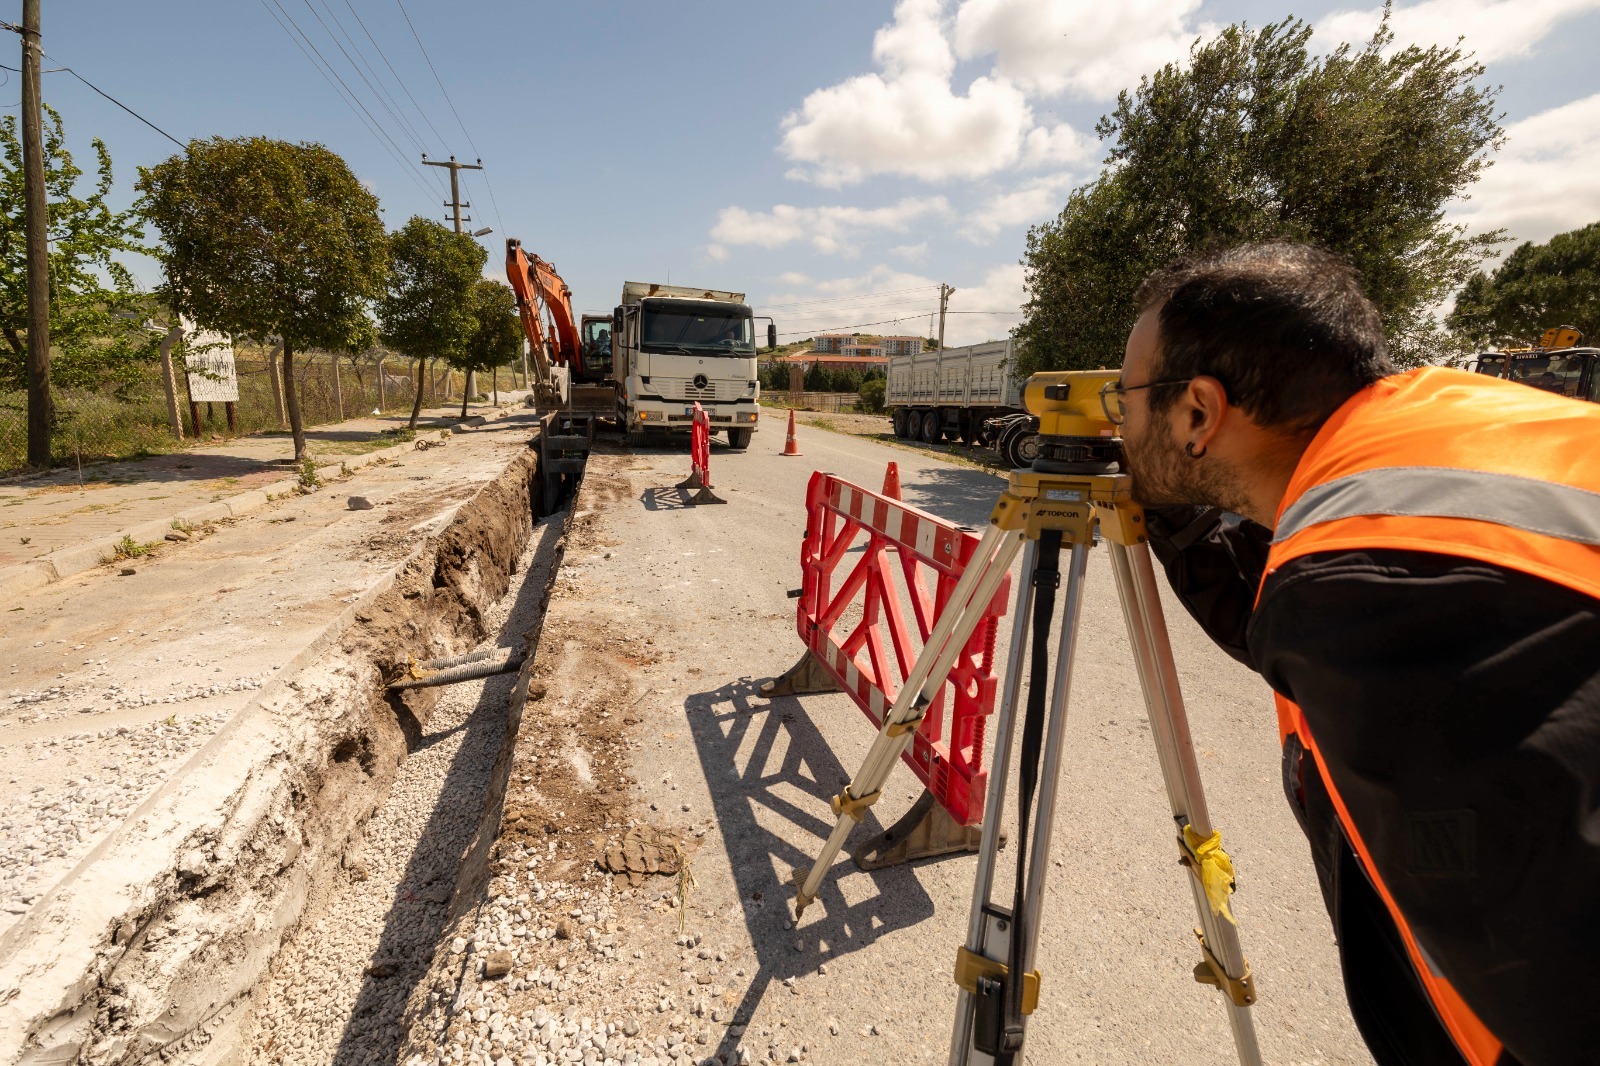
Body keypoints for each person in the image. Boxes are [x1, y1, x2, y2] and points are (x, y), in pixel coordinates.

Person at [1112, 242, 1600, 1066]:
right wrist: (1174, 512)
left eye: (1124, 397)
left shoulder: (1365, 581)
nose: (1114, 421)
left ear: (1198, 412)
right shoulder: (1444, 428)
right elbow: (1288, 627)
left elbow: (1555, 976)